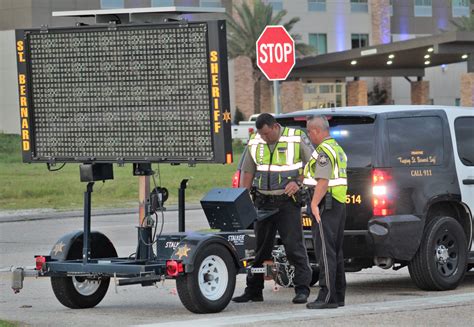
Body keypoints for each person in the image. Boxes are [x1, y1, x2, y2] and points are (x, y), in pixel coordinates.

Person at [232, 113, 313, 304]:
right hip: (262, 202)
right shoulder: (255, 141)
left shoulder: (295, 138)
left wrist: (298, 183)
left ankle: (302, 289)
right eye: (261, 134)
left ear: (275, 126)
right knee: (258, 250)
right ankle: (253, 290)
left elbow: (314, 165)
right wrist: (243, 201)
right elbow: (247, 171)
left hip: (287, 203)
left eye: (267, 134)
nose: (264, 138)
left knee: (294, 247)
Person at [303, 115, 348, 309]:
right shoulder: (337, 148)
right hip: (337, 204)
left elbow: (323, 180)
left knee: (325, 252)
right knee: (335, 251)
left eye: (309, 132)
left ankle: (326, 296)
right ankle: (338, 295)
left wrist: (314, 204)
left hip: (324, 206)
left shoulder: (323, 151)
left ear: (316, 131)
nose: (309, 135)